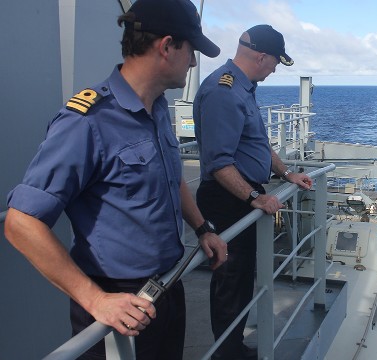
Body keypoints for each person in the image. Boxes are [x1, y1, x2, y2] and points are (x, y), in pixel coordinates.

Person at [3, 1, 227, 358]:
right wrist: (97, 300)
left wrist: (202, 228)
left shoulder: (156, 107)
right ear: (167, 47)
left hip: (169, 285)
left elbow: (172, 178)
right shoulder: (86, 121)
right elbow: (21, 223)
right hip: (119, 304)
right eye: (191, 51)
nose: (194, 62)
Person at [193, 24, 312, 360]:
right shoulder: (223, 91)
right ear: (261, 56)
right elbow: (219, 163)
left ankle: (233, 347)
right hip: (225, 199)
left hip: (239, 198)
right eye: (275, 62)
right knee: (230, 283)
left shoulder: (242, 89)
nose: (275, 69)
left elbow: (257, 145)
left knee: (242, 280)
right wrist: (254, 197)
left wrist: (287, 173)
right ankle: (225, 353)